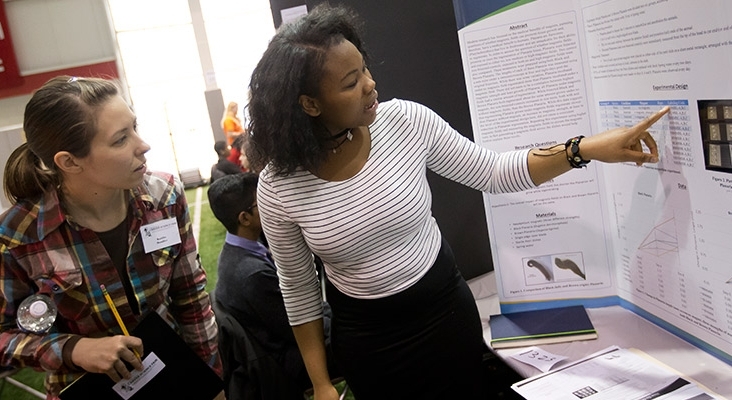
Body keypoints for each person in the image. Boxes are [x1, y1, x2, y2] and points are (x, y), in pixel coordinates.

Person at [245, 4, 669, 400]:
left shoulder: (405, 122)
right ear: (309, 104)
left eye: (365, 69)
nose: (371, 84)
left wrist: (587, 149)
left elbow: (495, 172)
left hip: (445, 315)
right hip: (369, 343)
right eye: (351, 82)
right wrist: (321, 383)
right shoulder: (279, 187)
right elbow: (298, 287)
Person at [0, 76, 222, 399]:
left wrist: (210, 380)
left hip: (174, 375)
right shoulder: (16, 237)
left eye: (135, 127)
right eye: (120, 140)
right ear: (69, 162)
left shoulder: (165, 198)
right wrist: (74, 349)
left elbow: (192, 298)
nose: (142, 145)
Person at [208, 173, 336, 397]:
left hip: (275, 346)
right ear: (244, 218)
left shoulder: (236, 252)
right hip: (284, 362)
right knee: (362, 334)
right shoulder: (251, 275)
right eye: (262, 202)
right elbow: (300, 325)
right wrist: (341, 320)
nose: (271, 204)